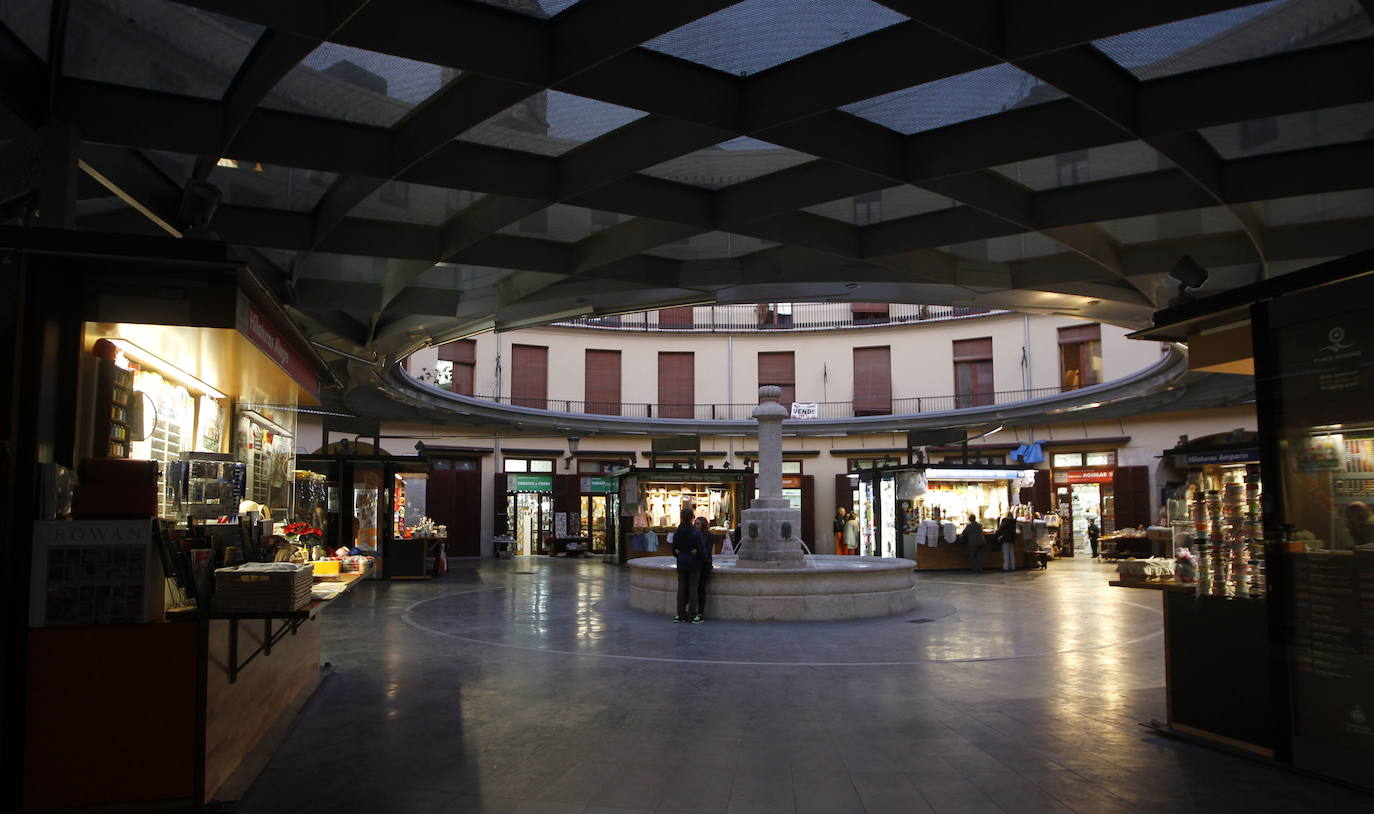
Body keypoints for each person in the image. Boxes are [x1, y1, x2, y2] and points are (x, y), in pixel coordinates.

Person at [671, 508, 704, 622]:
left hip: (681, 563)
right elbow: (701, 549)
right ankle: (692, 615)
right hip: (694, 563)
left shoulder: (677, 532)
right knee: (693, 589)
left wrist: (680, 555)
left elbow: (674, 549)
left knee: (681, 588)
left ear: (681, 517)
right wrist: (703, 558)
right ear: (692, 518)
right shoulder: (696, 533)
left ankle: (680, 614)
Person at [693, 516, 714, 621]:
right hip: (695, 564)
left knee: (701, 588)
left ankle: (700, 612)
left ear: (703, 525)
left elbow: (707, 550)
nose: (696, 525)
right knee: (694, 588)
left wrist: (697, 552)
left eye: (698, 523)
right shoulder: (693, 535)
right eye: (695, 523)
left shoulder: (710, 536)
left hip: (705, 565)